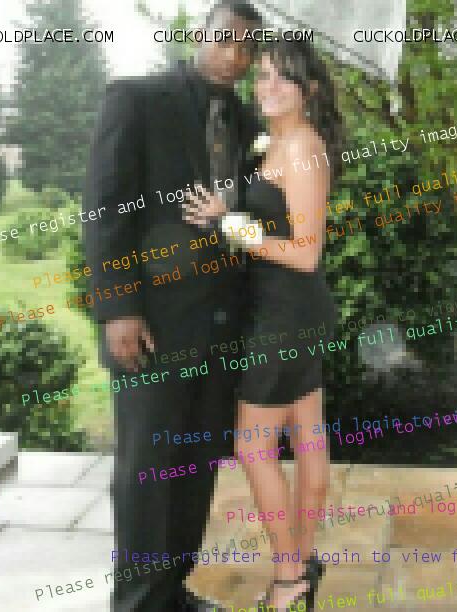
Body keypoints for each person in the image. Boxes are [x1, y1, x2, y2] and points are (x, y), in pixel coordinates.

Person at [83, 2, 263, 610]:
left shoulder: (247, 120)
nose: (235, 56)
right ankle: (137, 601)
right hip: (152, 325)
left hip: (220, 324)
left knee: (195, 463)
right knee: (147, 468)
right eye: (225, 39)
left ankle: (171, 591)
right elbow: (105, 209)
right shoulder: (136, 100)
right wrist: (118, 308)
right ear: (198, 34)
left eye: (248, 47)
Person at [182, 38, 342, 610]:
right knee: (307, 436)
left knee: (253, 448)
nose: (267, 85)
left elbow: (305, 252)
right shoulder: (279, 142)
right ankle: (303, 562)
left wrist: (229, 223)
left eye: (283, 77)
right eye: (264, 74)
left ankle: (289, 578)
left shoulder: (302, 149)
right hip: (291, 311)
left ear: (310, 90)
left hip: (284, 316)